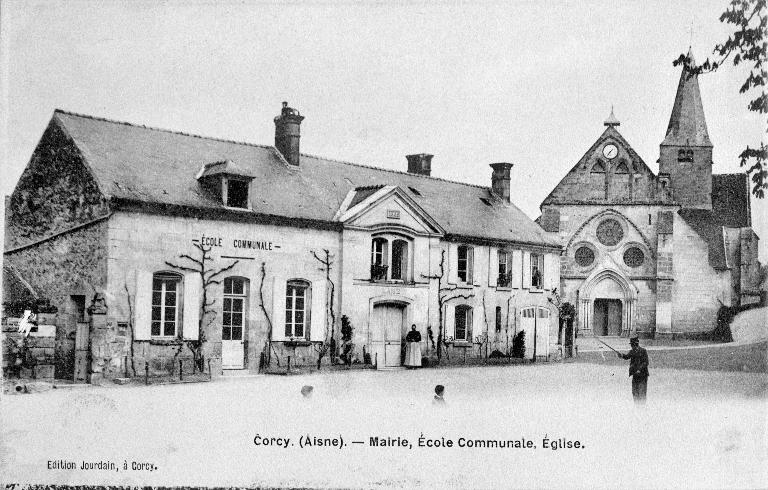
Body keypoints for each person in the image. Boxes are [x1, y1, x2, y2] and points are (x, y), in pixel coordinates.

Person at [616, 336, 649, 404]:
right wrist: (621, 355)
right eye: (631, 345)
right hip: (635, 375)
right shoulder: (632, 351)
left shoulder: (643, 351)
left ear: (635, 344)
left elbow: (646, 362)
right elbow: (626, 357)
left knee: (642, 392)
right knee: (635, 392)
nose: (632, 346)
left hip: (642, 375)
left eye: (632, 345)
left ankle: (642, 408)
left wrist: (639, 369)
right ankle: (637, 407)